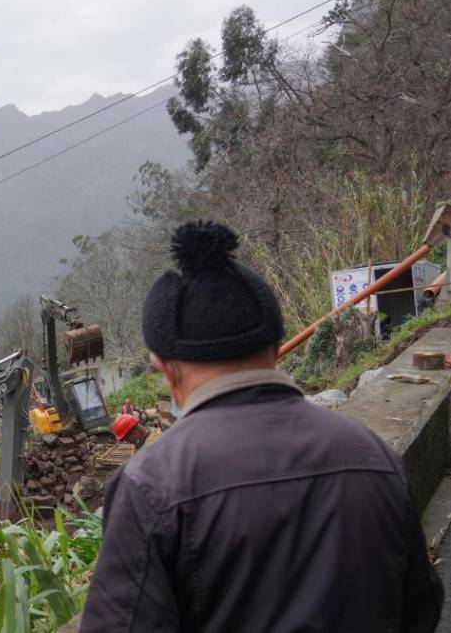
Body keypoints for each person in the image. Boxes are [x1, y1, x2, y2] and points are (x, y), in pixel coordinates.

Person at [81, 221, 442, 632]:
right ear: (275, 347)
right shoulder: (372, 454)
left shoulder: (149, 485)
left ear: (163, 366)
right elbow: (421, 607)